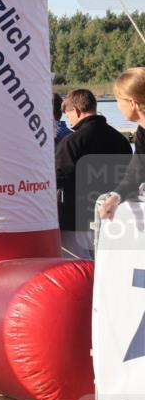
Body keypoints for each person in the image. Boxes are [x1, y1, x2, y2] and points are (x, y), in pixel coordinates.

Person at [55, 88, 131, 258]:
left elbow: (58, 178)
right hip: (112, 219)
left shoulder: (71, 143)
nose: (69, 120)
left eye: (68, 116)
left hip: (75, 222)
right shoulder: (120, 140)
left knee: (77, 273)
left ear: (76, 111)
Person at [99, 67, 145, 221]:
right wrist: (115, 197)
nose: (118, 106)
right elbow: (134, 176)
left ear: (132, 103)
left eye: (118, 100)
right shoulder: (142, 132)